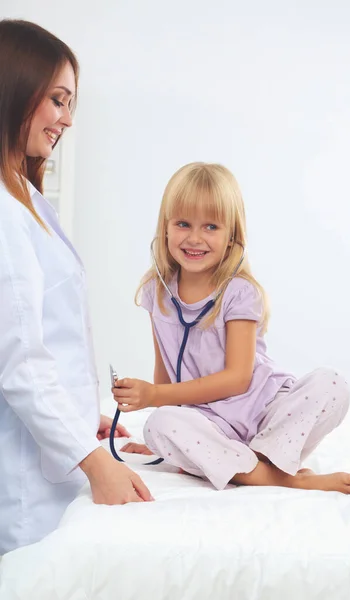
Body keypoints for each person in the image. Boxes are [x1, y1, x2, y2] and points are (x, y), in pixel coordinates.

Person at [113, 162, 350, 495]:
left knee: (333, 384)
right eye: (183, 223)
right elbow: (166, 369)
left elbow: (237, 379)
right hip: (211, 424)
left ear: (232, 234)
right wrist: (162, 440)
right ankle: (281, 476)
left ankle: (259, 465)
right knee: (160, 425)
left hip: (263, 413)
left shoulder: (238, 291)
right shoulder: (156, 291)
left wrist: (154, 395)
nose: (195, 238)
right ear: (166, 227)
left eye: (211, 227)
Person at [0, 19, 152, 556]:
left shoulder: (28, 197)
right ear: (16, 88)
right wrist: (92, 462)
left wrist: (87, 414)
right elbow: (19, 362)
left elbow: (58, 339)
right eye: (58, 100)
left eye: (71, 104)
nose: (67, 118)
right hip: (28, 481)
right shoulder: (4, 213)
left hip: (58, 455)